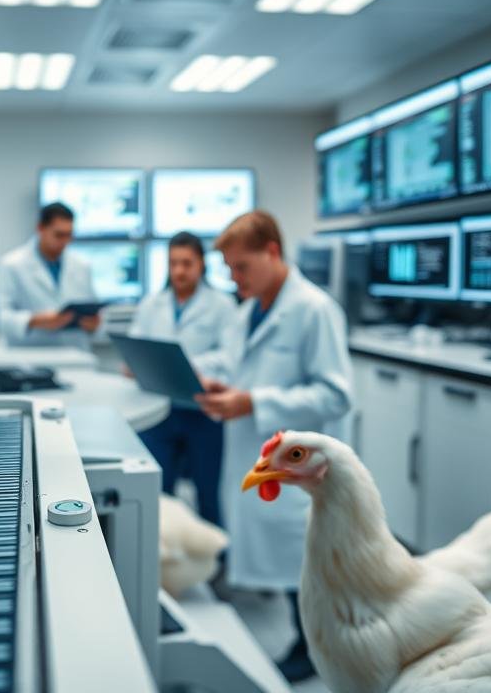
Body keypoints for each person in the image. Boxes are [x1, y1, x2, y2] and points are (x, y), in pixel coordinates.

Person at [193, 211, 352, 683]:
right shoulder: (247, 311)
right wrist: (209, 377)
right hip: (260, 456)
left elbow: (336, 393)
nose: (233, 278)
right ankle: (306, 639)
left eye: (241, 267)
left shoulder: (314, 310)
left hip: (302, 466)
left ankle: (315, 647)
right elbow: (232, 360)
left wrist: (254, 401)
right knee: (283, 559)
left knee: (306, 560)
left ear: (272, 253)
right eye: (229, 269)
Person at [129, 231, 237, 526]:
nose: (179, 270)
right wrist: (134, 363)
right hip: (158, 412)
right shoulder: (153, 304)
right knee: (157, 491)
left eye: (187, 263)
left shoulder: (222, 305)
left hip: (202, 411)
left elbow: (230, 357)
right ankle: (161, 562)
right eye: (173, 263)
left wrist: (182, 364)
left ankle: (217, 563)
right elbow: (138, 346)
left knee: (208, 492)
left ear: (202, 264)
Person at [0, 202, 101, 348]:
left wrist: (94, 324)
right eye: (59, 235)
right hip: (31, 356)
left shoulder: (82, 266)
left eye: (69, 235)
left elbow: (95, 312)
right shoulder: (12, 265)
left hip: (77, 356)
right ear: (40, 228)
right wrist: (34, 320)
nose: (65, 242)